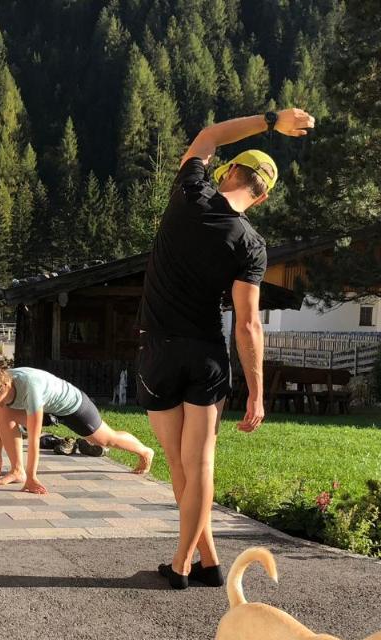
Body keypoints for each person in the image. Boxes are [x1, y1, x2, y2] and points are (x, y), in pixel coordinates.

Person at [137, 107, 315, 589]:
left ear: (231, 173)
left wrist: (273, 119)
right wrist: (257, 392)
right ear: (260, 197)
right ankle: (208, 562)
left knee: (179, 466)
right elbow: (248, 324)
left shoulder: (189, 193)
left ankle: (179, 567)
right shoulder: (252, 245)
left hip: (159, 350)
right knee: (201, 466)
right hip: (208, 356)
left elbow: (209, 134)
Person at [0, 365, 154, 495]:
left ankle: (145, 451)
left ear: (5, 387)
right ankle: (17, 470)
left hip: (73, 406)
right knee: (4, 414)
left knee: (104, 439)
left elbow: (34, 439)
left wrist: (32, 478)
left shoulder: (31, 388)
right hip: (48, 409)